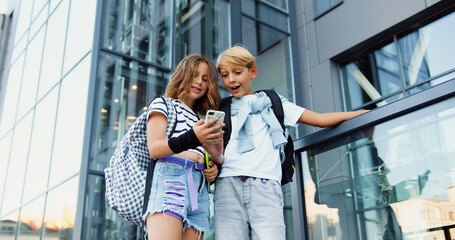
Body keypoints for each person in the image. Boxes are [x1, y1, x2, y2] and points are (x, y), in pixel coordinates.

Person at [212, 45, 368, 240]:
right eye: (225, 75)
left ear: (252, 71)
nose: (231, 80)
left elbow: (319, 119)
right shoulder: (222, 109)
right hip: (227, 185)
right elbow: (213, 148)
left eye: (237, 72)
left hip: (266, 185)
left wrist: (360, 115)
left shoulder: (273, 103)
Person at [143, 54, 225, 240]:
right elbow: (154, 148)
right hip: (172, 179)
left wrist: (211, 168)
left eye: (205, 79)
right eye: (194, 75)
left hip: (199, 189)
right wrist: (193, 137)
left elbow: (200, 153)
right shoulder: (164, 104)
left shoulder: (200, 120)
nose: (199, 82)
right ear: (182, 75)